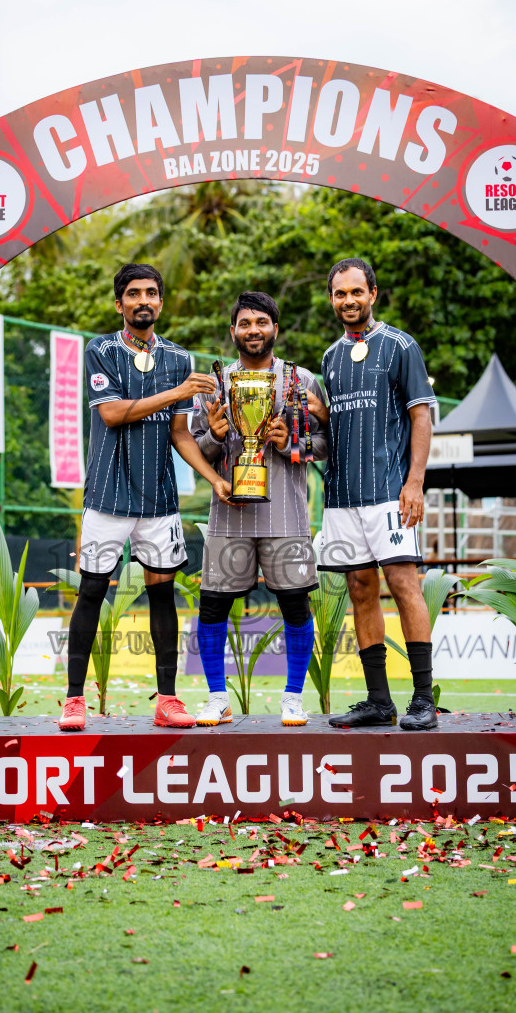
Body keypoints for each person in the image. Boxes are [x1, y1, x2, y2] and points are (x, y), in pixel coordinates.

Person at [59, 263, 233, 732]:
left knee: (162, 596)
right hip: (107, 497)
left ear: (160, 301)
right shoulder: (101, 350)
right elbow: (112, 414)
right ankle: (74, 701)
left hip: (158, 500)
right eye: (133, 293)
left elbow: (181, 433)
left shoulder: (177, 357)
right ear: (119, 304)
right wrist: (177, 391)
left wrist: (212, 478)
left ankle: (168, 701)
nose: (143, 300)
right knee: (92, 591)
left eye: (151, 293)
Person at [191, 291, 328, 727]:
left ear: (275, 328)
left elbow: (325, 445)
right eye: (245, 323)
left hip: (286, 515)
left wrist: (290, 442)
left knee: (295, 606)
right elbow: (196, 451)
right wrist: (214, 436)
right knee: (213, 606)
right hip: (228, 512)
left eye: (261, 322)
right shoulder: (216, 384)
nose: (254, 330)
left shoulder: (301, 380)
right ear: (233, 331)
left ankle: (293, 697)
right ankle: (217, 697)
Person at [316, 258, 437, 730]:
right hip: (342, 496)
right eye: (340, 293)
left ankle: (423, 700)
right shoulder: (330, 357)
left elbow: (421, 415)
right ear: (332, 299)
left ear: (372, 294)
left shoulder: (401, 346)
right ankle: (379, 702)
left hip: (389, 491)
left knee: (404, 585)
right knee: (360, 589)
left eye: (355, 292)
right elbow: (334, 429)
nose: (348, 300)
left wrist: (415, 482)